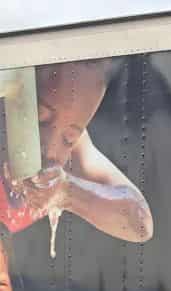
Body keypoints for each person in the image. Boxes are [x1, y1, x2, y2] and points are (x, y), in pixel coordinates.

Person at [2, 61, 154, 243]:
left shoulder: (75, 153)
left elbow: (140, 225)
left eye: (69, 138)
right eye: (40, 119)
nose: (50, 150)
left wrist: (68, 193)